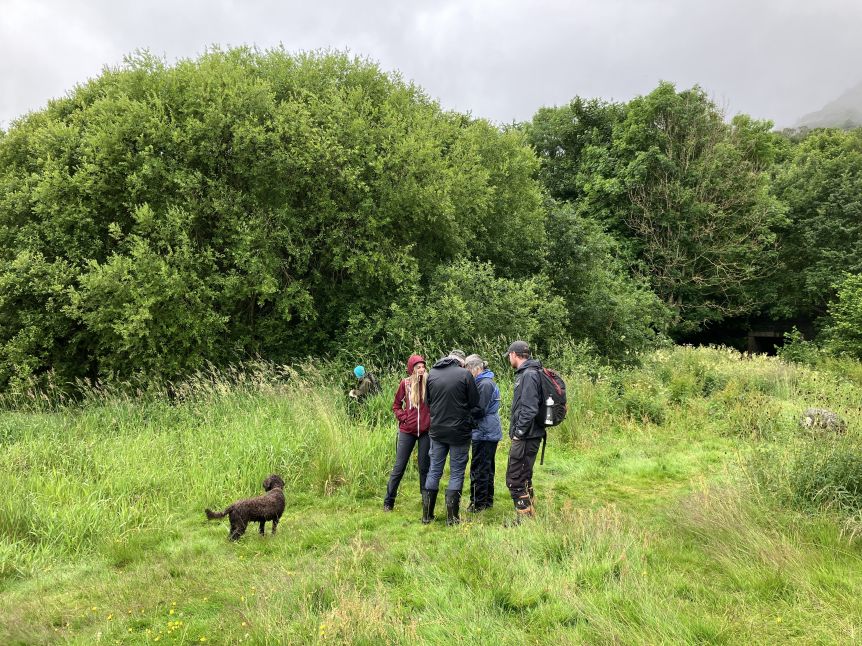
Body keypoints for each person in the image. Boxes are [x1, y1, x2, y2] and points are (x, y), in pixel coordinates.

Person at [423, 349, 481, 525]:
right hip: (459, 432)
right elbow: (474, 402)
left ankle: (427, 516)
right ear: (461, 362)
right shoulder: (465, 374)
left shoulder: (432, 374)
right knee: (456, 472)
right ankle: (452, 519)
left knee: (434, 470)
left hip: (437, 431)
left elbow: (427, 402)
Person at [383, 354, 431, 511]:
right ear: (412, 369)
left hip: (425, 432)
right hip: (407, 431)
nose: (422, 369)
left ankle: (426, 503)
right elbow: (396, 405)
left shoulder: (430, 383)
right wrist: (404, 418)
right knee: (399, 467)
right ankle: (388, 502)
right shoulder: (405, 383)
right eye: (418, 367)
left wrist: (431, 420)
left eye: (423, 366)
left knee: (424, 467)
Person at [505, 340, 545, 521]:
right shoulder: (532, 372)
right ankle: (530, 511)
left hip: (527, 435)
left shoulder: (528, 375)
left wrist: (518, 433)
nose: (509, 359)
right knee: (525, 474)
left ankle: (524, 519)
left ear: (514, 354)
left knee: (515, 478)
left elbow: (529, 409)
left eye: (509, 356)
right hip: (532, 433)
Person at [464, 354, 502, 513]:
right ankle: (487, 502)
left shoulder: (485, 384)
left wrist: (463, 414)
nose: (466, 374)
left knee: (480, 467)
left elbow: (479, 409)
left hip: (485, 431)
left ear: (475, 368)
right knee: (486, 467)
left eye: (467, 370)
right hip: (487, 430)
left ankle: (478, 504)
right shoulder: (484, 381)